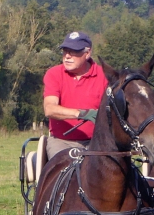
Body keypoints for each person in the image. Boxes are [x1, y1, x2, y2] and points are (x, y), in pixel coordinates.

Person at [43, 31, 108, 159]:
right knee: (66, 170)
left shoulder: (105, 76)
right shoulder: (54, 74)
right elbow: (49, 109)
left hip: (98, 142)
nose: (67, 56)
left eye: (73, 51)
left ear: (87, 53)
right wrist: (82, 114)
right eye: (65, 51)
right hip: (62, 142)